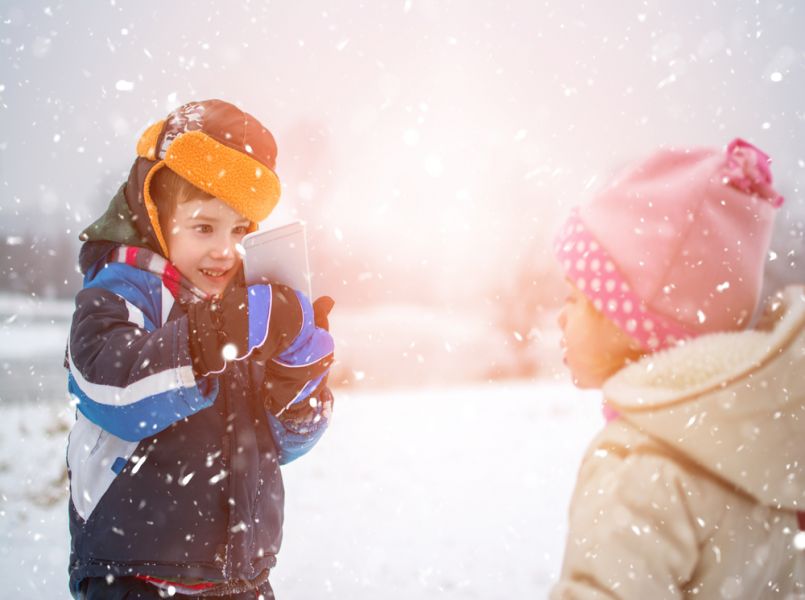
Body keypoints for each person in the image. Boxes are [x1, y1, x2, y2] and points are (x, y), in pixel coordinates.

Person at [65, 99, 335, 599]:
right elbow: (111, 388)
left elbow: (284, 445)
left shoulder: (245, 307)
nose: (225, 250)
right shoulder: (124, 290)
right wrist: (214, 337)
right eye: (204, 227)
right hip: (134, 576)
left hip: (241, 579)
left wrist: (297, 383)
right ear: (154, 216)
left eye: (240, 230)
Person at [550, 139, 805, 598]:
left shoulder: (639, 468)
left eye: (574, 297)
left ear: (632, 322)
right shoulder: (768, 457)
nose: (559, 318)